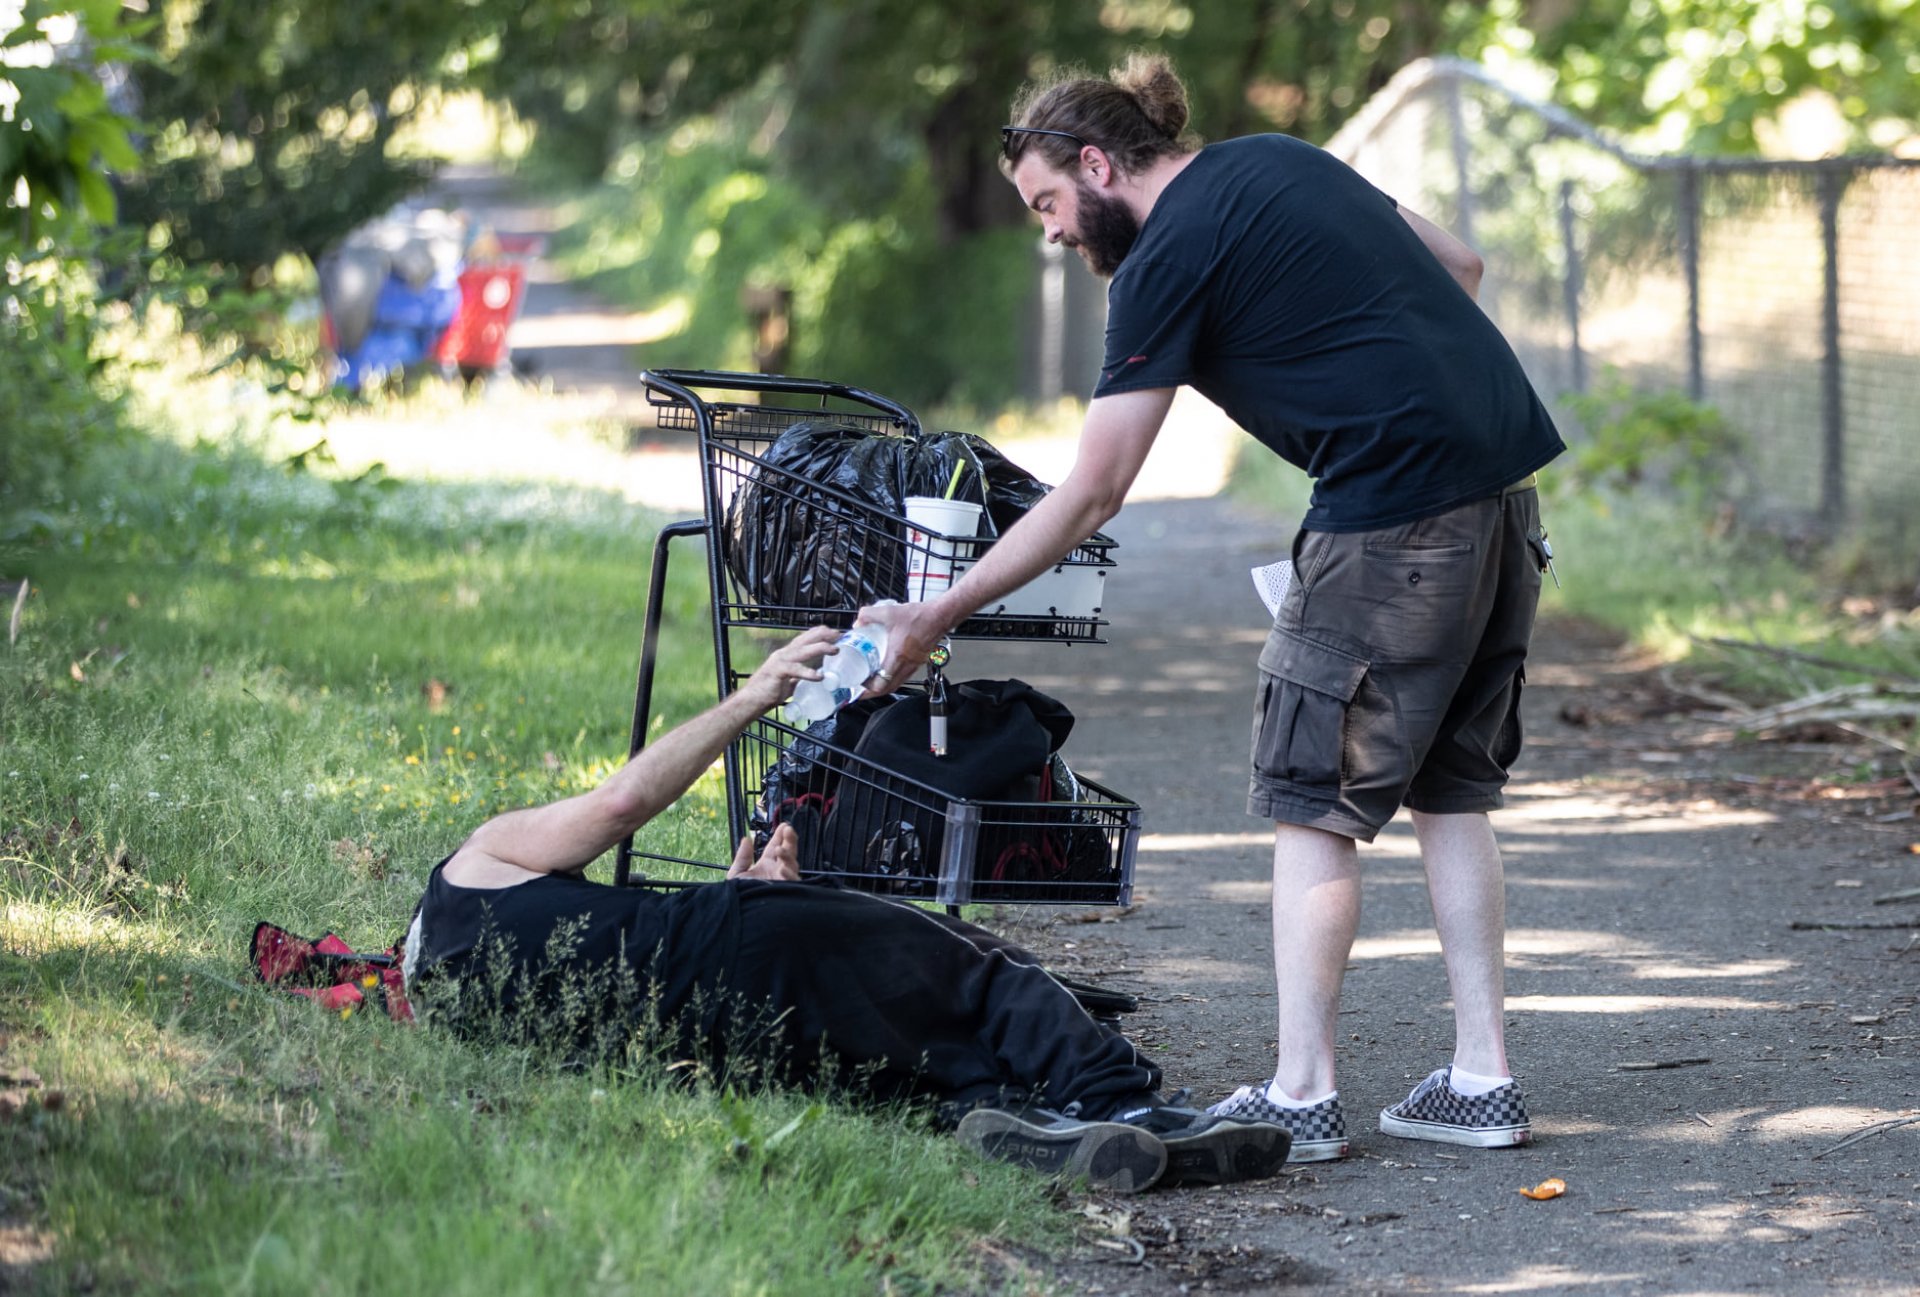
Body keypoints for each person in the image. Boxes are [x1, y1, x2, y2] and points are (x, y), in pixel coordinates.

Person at [858, 54, 1565, 1162]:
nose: (1050, 230)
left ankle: (1302, 1094)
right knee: (1451, 790)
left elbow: (1095, 487)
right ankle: (1484, 1080)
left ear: (1099, 164)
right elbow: (1459, 265)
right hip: (1502, 494)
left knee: (1312, 800)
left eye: (1048, 202)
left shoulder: (1164, 257)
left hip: (1390, 517)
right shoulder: (1279, 158)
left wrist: (938, 609)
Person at [400, 625, 1292, 1193]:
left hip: (722, 1047)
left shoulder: (457, 999)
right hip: (731, 943)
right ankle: (1124, 1099)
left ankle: (1013, 1109)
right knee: (966, 959)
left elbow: (630, 985)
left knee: (901, 1033)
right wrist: (759, 694)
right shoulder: (474, 863)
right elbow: (618, 809)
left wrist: (744, 891)